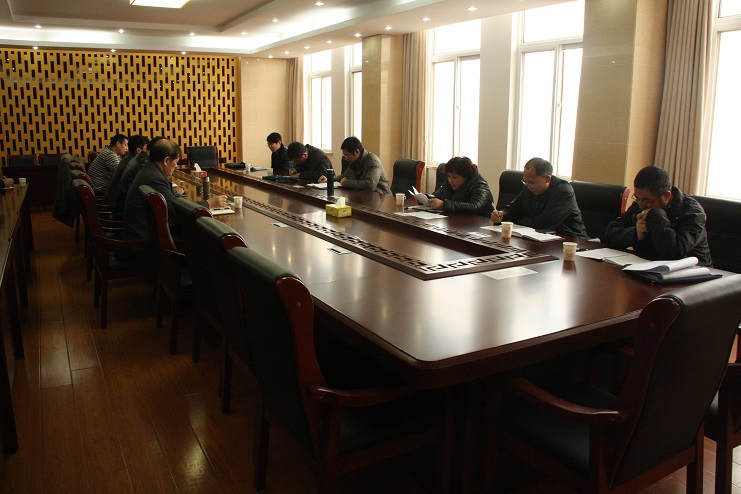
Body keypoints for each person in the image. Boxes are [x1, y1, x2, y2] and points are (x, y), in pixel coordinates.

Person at [121, 139, 227, 254]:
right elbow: (175, 209)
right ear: (166, 160)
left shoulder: (151, 169)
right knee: (202, 233)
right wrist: (208, 204)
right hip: (143, 243)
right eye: (176, 162)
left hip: (144, 232)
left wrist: (188, 201)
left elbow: (172, 196)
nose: (176, 166)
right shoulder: (154, 177)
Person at [602, 165, 712, 266]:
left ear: (666, 196)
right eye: (637, 198)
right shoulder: (639, 206)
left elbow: (673, 253)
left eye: (646, 201)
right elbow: (609, 234)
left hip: (693, 274)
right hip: (647, 268)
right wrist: (636, 233)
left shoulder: (693, 213)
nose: (641, 205)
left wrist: (656, 215)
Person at [491, 157, 588, 238]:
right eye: (525, 182)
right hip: (537, 237)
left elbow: (545, 223)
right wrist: (502, 214)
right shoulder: (528, 187)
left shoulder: (563, 191)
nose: (528, 186)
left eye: (532, 183)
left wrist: (515, 221)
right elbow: (514, 208)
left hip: (570, 240)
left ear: (547, 179)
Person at [427, 156, 494, 216]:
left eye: (454, 177)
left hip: (480, 222)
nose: (450, 180)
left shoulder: (480, 185)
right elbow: (439, 196)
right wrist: (426, 198)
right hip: (457, 220)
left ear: (465, 176)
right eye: (448, 176)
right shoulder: (451, 181)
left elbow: (475, 206)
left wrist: (444, 205)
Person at [103, 134, 149, 209]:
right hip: (116, 207)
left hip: (114, 201)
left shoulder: (127, 159)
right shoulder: (135, 164)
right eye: (146, 150)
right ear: (138, 150)